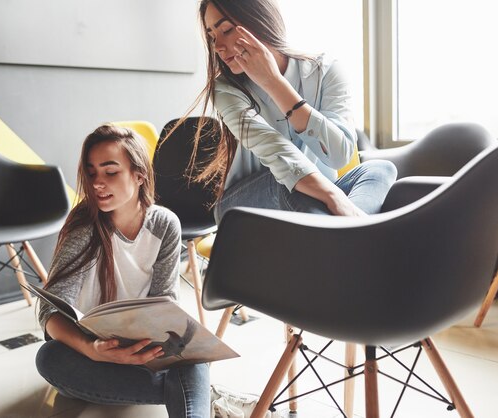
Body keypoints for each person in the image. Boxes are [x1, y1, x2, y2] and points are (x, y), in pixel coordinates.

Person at [35, 125, 210, 418]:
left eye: (110, 171)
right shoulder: (83, 227)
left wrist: (154, 344)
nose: (97, 183)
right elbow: (50, 312)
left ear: (139, 175)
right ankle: (191, 393)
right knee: (49, 357)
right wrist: (91, 349)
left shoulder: (164, 224)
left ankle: (189, 399)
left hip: (142, 350)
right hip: (89, 352)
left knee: (194, 356)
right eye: (91, 173)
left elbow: (164, 300)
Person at [181, 0, 396, 221]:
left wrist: (274, 83)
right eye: (212, 36)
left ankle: (346, 235)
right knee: (290, 181)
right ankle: (356, 234)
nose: (217, 46)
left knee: (380, 169)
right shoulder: (226, 89)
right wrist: (334, 197)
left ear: (258, 21)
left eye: (225, 29)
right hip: (242, 204)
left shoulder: (326, 71)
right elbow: (279, 155)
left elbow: (339, 156)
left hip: (317, 193)